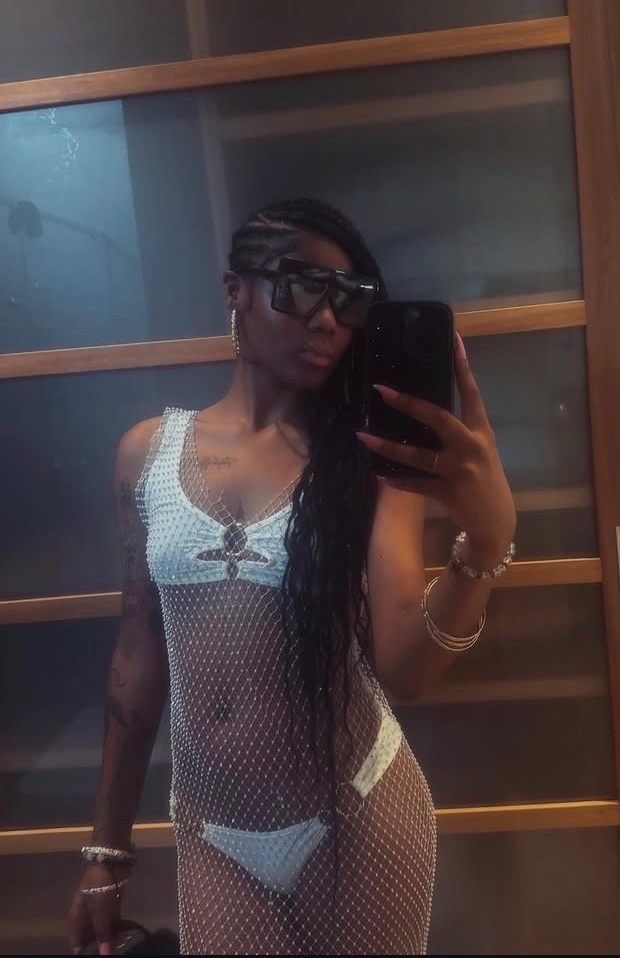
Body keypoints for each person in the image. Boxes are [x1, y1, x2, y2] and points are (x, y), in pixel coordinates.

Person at [67, 197, 516, 956]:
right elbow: (137, 658)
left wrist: (486, 540)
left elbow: (406, 668)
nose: (327, 320)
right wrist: (106, 851)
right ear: (235, 289)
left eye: (348, 300)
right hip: (214, 830)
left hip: (356, 815)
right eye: (302, 287)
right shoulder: (147, 454)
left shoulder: (370, 462)